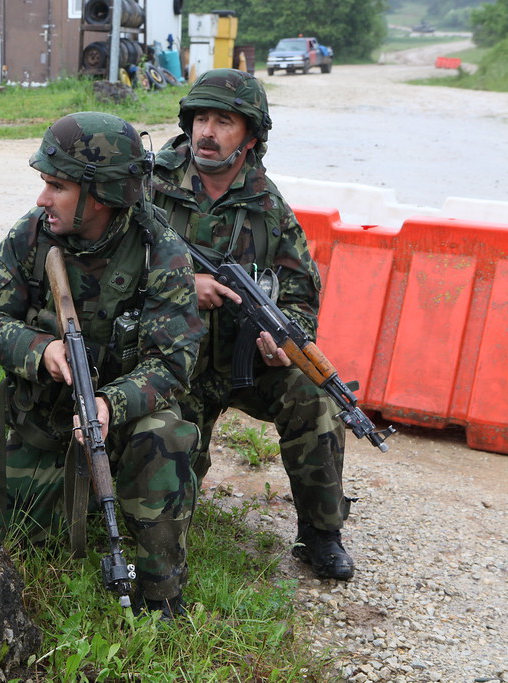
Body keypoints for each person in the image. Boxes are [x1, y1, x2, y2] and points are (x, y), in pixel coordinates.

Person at [0, 111, 204, 618]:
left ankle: (160, 592)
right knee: (16, 544)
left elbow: (173, 364)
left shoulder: (160, 254)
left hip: (117, 425)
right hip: (44, 419)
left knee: (165, 434)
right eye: (44, 183)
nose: (41, 198)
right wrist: (41, 351)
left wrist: (109, 403)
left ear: (103, 195)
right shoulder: (31, 236)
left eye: (57, 186)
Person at [150, 68, 355, 580]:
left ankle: (320, 535)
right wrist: (183, 283)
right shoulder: (148, 186)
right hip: (170, 360)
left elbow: (303, 291)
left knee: (317, 397)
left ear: (251, 137)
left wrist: (284, 340)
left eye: (224, 121)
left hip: (247, 362)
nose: (207, 132)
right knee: (164, 491)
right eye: (200, 118)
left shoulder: (269, 207)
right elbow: (109, 266)